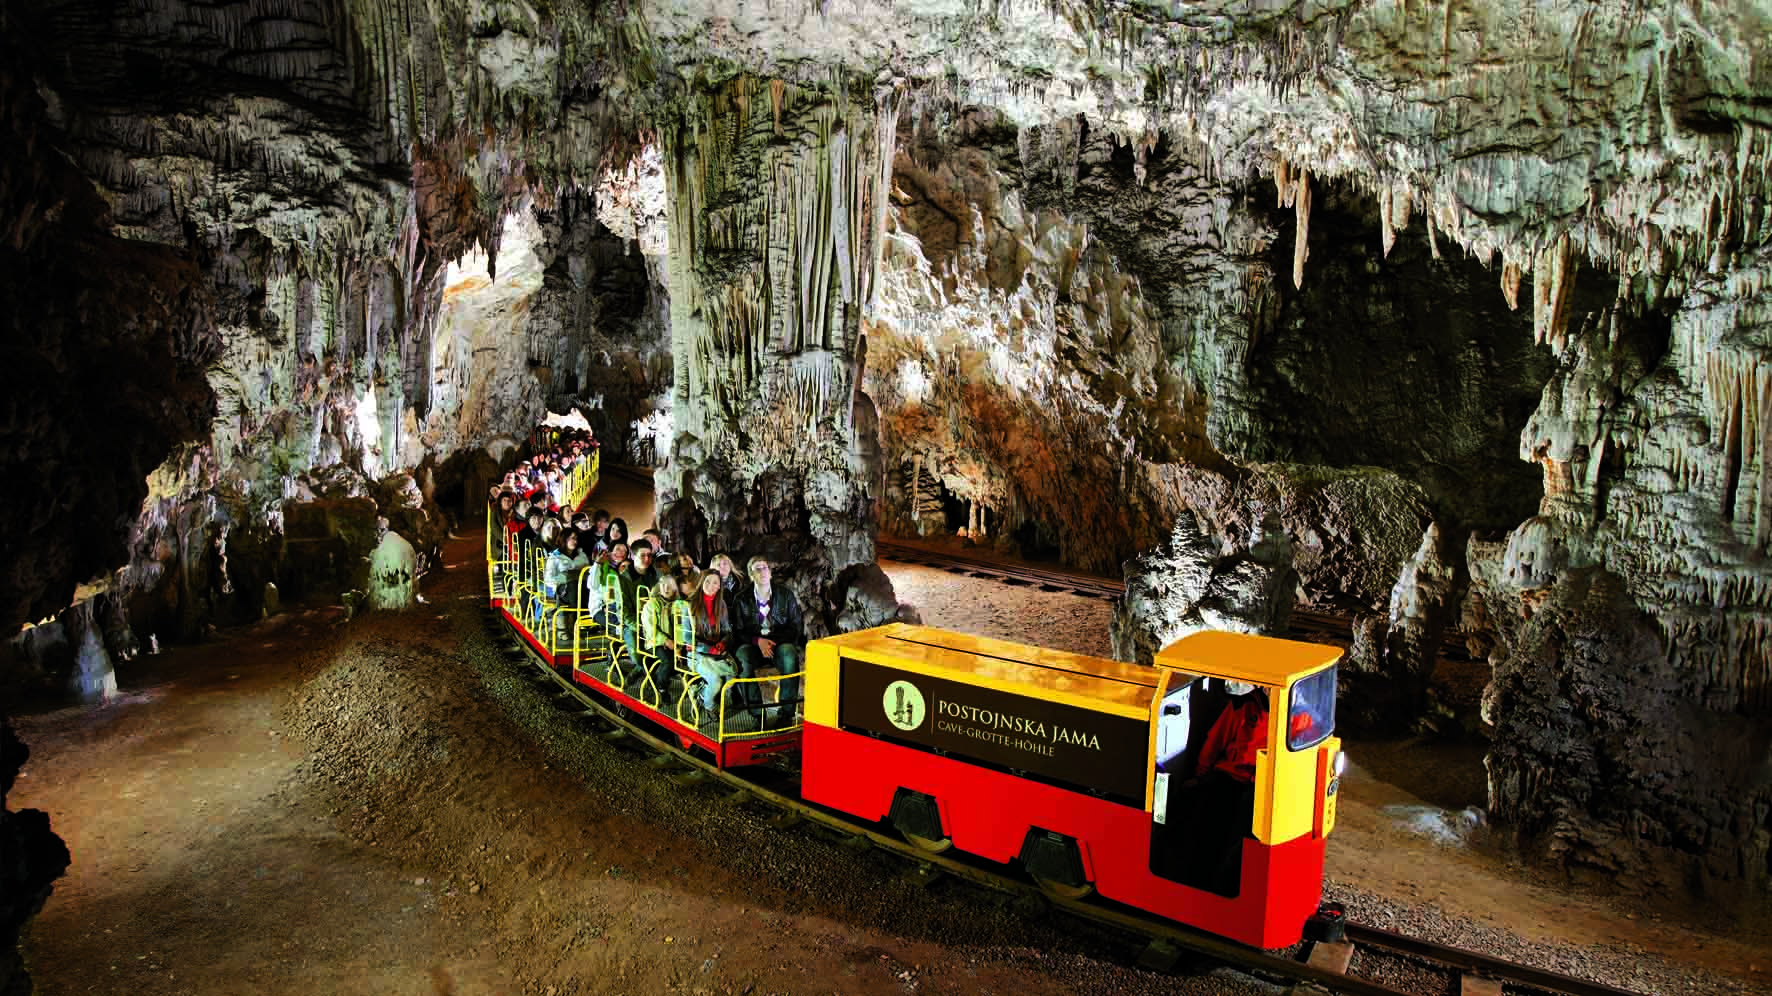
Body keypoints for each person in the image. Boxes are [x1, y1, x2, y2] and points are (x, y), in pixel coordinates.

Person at [1169, 682, 1269, 896]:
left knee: (1244, 829)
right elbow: (1215, 741)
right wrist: (1200, 776)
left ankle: (1223, 886)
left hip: (1262, 784)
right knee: (1202, 812)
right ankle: (1185, 879)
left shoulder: (1298, 716)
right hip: (1228, 776)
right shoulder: (1241, 706)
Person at [732, 555, 805, 722]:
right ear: (751, 576)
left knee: (789, 656)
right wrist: (758, 641)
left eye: (765, 567)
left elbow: (795, 626)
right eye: (757, 569)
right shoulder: (741, 599)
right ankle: (758, 714)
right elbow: (738, 630)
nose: (763, 571)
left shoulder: (786, 595)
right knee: (743, 658)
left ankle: (786, 714)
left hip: (779, 643)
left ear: (770, 573)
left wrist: (773, 642)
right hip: (753, 645)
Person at [689, 570, 741, 721]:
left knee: (732, 675)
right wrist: (708, 648)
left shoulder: (721, 604)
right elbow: (687, 637)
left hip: (717, 651)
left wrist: (721, 644)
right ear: (701, 583)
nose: (711, 586)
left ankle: (701, 692)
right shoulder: (690, 604)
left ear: (720, 586)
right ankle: (709, 706)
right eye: (708, 582)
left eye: (715, 583)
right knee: (716, 680)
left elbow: (727, 631)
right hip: (696, 653)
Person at [639, 574, 684, 701]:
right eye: (663, 585)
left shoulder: (678, 605)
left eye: (669, 585)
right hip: (654, 641)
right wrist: (666, 641)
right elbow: (650, 628)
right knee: (669, 660)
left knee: (685, 660)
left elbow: (680, 627)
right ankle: (661, 687)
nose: (666, 587)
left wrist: (678, 646)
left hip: (673, 643)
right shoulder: (651, 605)